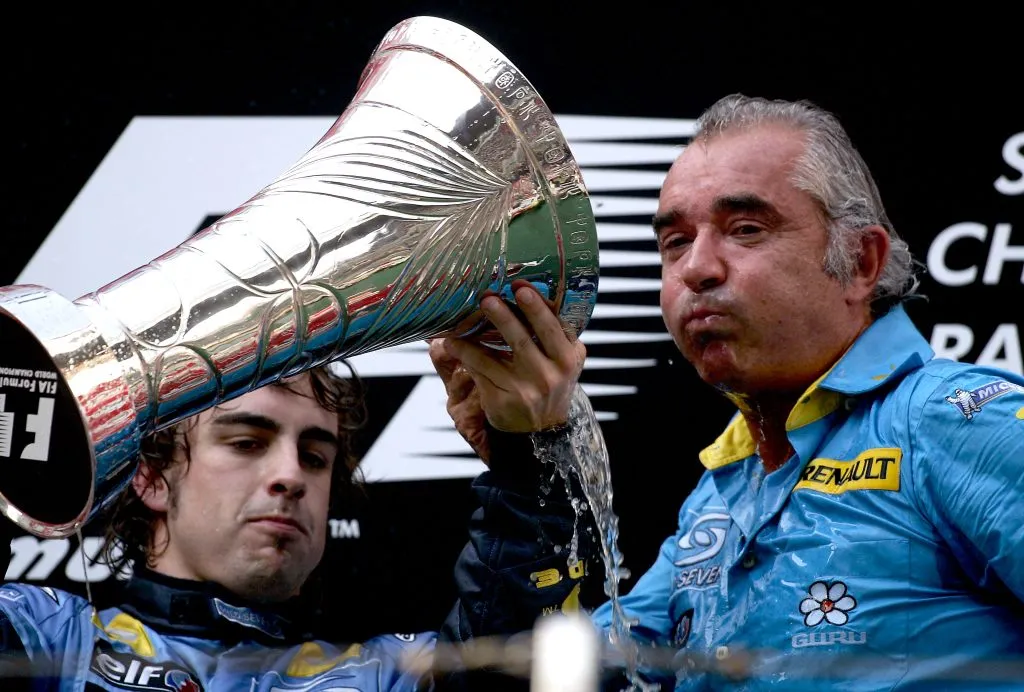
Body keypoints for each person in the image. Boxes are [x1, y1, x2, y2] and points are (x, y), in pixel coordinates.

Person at [435, 94, 1024, 690]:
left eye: (745, 230)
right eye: (675, 242)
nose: (696, 268)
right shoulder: (719, 497)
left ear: (860, 261)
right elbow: (554, 680)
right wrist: (527, 468)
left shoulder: (960, 421)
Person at [0, 284, 594, 692]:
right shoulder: (49, 640)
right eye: (246, 443)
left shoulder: (388, 676)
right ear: (151, 476)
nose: (290, 476)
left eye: (314, 457)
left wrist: (524, 461)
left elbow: (511, 672)